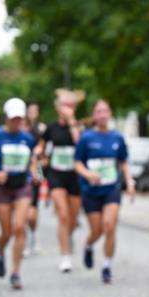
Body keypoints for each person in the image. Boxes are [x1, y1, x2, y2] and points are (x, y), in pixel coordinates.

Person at [74, 99, 135, 284]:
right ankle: (89, 245)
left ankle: (107, 266)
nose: (102, 115)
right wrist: (88, 174)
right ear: (94, 115)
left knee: (109, 225)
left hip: (111, 188)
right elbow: (77, 164)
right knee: (97, 230)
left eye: (105, 111)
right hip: (90, 190)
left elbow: (123, 162)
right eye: (98, 111)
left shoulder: (117, 137)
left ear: (110, 114)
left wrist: (130, 181)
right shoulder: (86, 138)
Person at [0, 98, 37, 290]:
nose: (16, 122)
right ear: (6, 117)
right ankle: (0, 250)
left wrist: (36, 173)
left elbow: (32, 161)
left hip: (21, 186)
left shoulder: (28, 138)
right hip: (1, 188)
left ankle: (15, 272)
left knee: (20, 228)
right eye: (13, 118)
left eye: (20, 118)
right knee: (7, 231)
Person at [38, 88, 85, 272]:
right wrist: (40, 161)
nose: (67, 109)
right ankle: (65, 256)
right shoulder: (51, 128)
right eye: (64, 105)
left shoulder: (79, 127)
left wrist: (72, 122)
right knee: (63, 215)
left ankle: (69, 235)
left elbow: (79, 144)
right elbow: (41, 149)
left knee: (73, 219)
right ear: (58, 108)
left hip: (74, 175)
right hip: (56, 174)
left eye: (70, 106)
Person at [24, 100, 46, 256]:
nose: (33, 113)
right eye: (31, 110)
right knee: (22, 211)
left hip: (33, 174)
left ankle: (33, 234)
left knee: (32, 213)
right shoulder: (18, 130)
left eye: (35, 110)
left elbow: (44, 157)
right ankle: (23, 240)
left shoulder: (40, 131)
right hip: (18, 175)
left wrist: (38, 171)